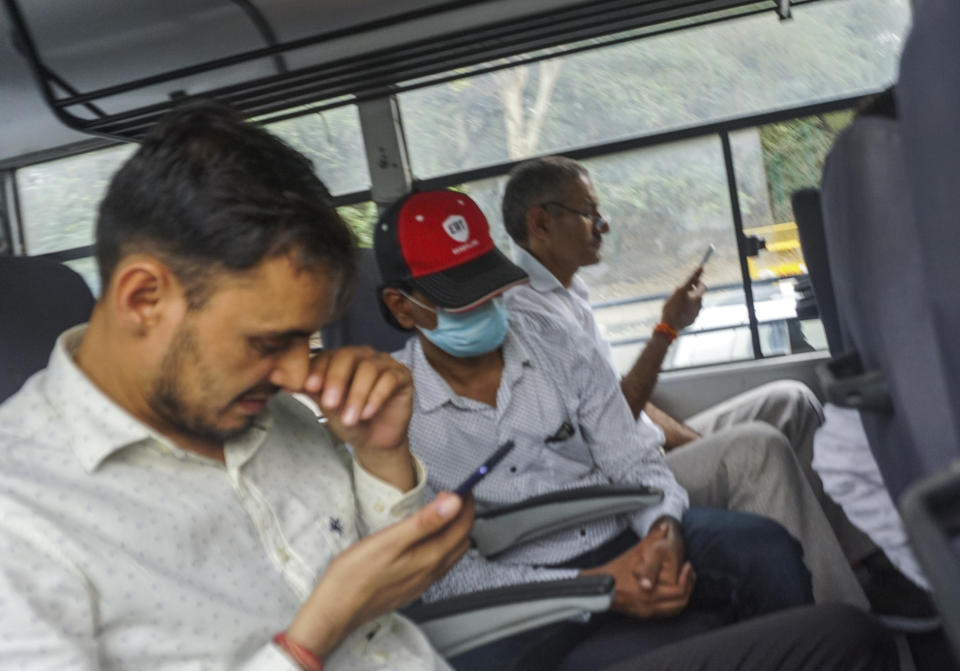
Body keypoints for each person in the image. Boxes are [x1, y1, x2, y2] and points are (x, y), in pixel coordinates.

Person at [0, 103, 476, 670]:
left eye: (308, 340)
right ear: (144, 299)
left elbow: (382, 603)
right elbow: (343, 610)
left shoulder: (262, 411)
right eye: (268, 342)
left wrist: (379, 455)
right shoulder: (19, 520)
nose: (300, 378)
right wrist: (310, 639)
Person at [374, 189, 893, 671]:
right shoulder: (394, 412)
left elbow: (631, 456)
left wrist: (663, 531)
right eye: (462, 299)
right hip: (520, 582)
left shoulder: (551, 339)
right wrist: (594, 587)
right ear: (402, 306)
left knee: (765, 549)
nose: (487, 310)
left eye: (490, 289)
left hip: (616, 529)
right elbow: (445, 575)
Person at [500, 155, 874, 602]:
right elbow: (614, 421)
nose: (603, 226)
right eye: (589, 214)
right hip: (615, 479)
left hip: (640, 448)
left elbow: (618, 397)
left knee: (791, 400)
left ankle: (862, 561)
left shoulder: (569, 296)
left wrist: (691, 441)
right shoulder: (529, 316)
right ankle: (839, 614)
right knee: (758, 448)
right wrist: (667, 329)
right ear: (540, 223)